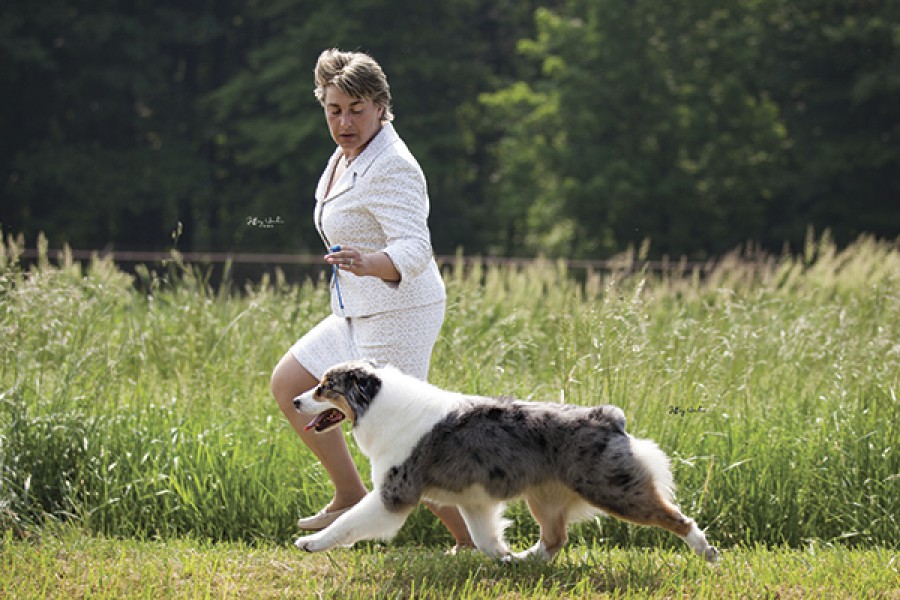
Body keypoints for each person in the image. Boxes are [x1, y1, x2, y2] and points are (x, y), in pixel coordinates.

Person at [269, 48, 474, 551]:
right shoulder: (346, 154)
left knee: (403, 441)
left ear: (381, 106)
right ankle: (348, 493)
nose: (344, 121)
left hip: (399, 307)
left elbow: (415, 247)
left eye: (356, 110)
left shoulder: (393, 165)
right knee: (290, 383)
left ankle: (475, 545)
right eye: (334, 110)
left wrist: (370, 261)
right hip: (356, 309)